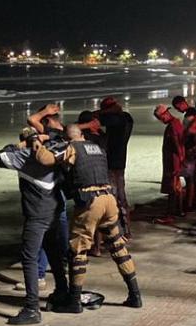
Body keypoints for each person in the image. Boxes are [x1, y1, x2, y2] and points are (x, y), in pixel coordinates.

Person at [34, 125, 142, 313]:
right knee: (118, 247)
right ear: (82, 135)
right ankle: (135, 295)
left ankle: (74, 301)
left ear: (68, 139)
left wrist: (36, 142)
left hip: (90, 202)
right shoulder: (97, 148)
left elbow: (44, 159)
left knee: (78, 251)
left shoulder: (71, 148)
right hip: (109, 199)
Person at [0, 127, 70, 325]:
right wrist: (44, 140)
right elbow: (62, 141)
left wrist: (21, 145)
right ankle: (63, 293)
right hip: (56, 210)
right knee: (54, 254)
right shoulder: (56, 152)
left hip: (37, 214)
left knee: (29, 258)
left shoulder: (24, 156)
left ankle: (32, 307)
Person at [96, 97, 134, 237]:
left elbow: (97, 118)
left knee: (113, 197)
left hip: (112, 162)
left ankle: (116, 231)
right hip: (120, 161)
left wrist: (101, 112)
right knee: (121, 198)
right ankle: (126, 230)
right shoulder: (127, 118)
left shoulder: (115, 120)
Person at [154, 104, 185, 222]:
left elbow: (177, 143)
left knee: (172, 187)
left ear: (165, 114)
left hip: (173, 160)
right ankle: (179, 211)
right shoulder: (177, 123)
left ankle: (170, 215)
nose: (161, 121)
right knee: (177, 187)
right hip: (175, 159)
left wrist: (180, 158)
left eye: (161, 118)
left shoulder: (172, 126)